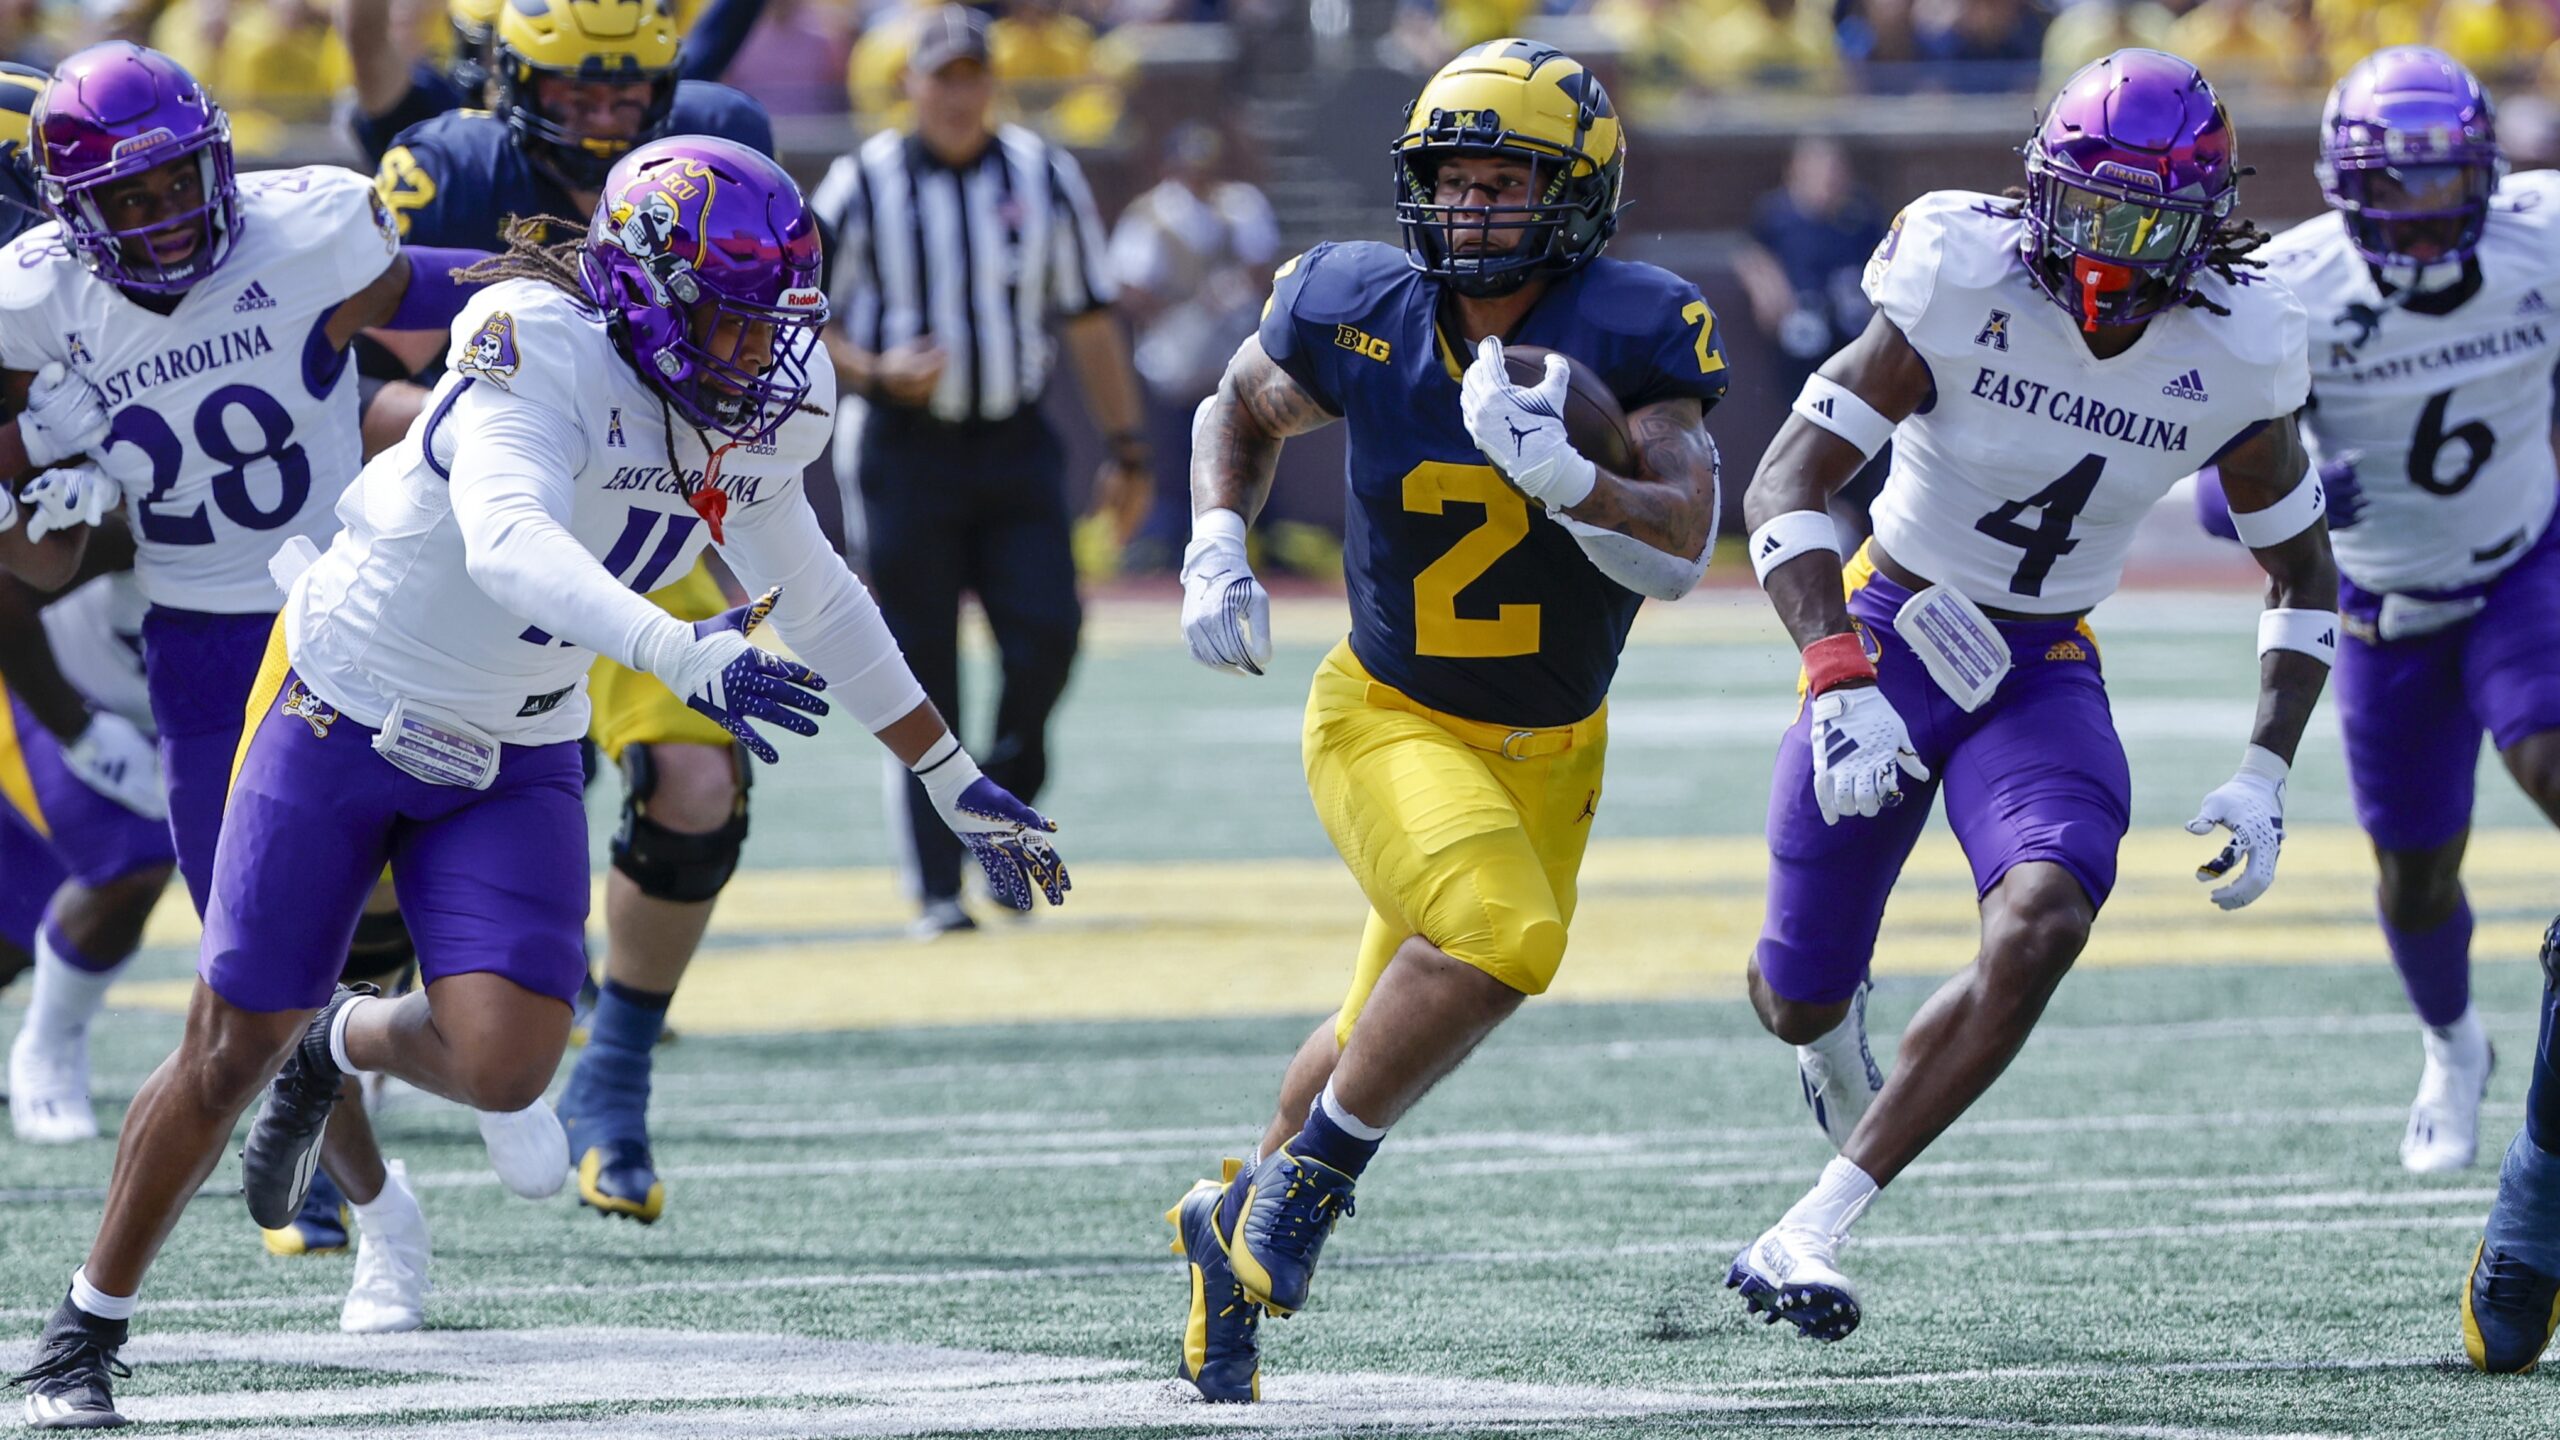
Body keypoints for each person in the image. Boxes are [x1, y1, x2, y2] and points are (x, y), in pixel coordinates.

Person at [8, 136, 1069, 1430]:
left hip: (512, 737)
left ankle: (335, 1043)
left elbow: (819, 583)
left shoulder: (763, 402)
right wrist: (687, 652)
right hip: (346, 702)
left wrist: (953, 777)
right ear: (638, 289)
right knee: (226, 1047)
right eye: (727, 322)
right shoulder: (532, 338)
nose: (755, 355)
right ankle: (84, 1330)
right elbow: (509, 544)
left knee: (511, 1065)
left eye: (768, 322)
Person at [1724, 48, 2334, 1343]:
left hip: (2041, 662)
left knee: (2048, 914)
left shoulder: (2239, 346)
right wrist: (1836, 677)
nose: (2106, 246)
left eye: (2141, 220)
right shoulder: (1958, 274)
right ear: (2042, 194)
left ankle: (1812, 1228)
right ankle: (1828, 1044)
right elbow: (1785, 481)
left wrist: (2269, 766)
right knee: (1797, 993)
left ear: (2201, 230)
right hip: (1892, 621)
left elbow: (2304, 573)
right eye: (2088, 206)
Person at [1167, 40, 1724, 1401]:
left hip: (1552, 749)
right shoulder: (1356, 300)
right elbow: (1240, 402)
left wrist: (1580, 482)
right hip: (1388, 718)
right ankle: (1315, 1183)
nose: (1472, 210)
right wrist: (1215, 540)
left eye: (1505, 182)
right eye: (1453, 181)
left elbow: (1687, 542)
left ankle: (1225, 1220)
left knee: (1378, 1025)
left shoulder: (1637, 328)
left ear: (1579, 193)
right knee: (1503, 939)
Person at [0, 40, 495, 1344]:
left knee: (449, 898)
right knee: (253, 984)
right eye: (129, 201)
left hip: (372, 613)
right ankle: (381, 1219)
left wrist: (565, 291)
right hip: (209, 656)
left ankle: (494, 1062)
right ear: (71, 217)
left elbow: (418, 294)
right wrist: (28, 491)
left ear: (218, 160)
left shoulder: (311, 222)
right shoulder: (35, 298)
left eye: (177, 185)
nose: (164, 220)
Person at [372, 0, 777, 1226]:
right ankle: (327, 1088)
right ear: (512, 86)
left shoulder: (718, 143)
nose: (604, 125)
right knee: (385, 833)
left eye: (625, 100)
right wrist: (491, 444)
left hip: (650, 518)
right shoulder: (444, 168)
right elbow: (346, 378)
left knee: (699, 789)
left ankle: (617, 1078)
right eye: (575, 100)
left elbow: (753, 352)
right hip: (460, 532)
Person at [2191, 49, 2552, 1181]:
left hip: (2520, 570)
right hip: (2381, 609)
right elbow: (2209, 485)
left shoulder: (2541, 234)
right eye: (2397, 184)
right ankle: (2453, 1047)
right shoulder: (2289, 286)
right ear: (2347, 187)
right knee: (2413, 869)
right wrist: (2281, 494)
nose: (2427, 205)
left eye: (2446, 177)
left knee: (2550, 754)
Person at [812, 5, 1147, 940]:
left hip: (1012, 439)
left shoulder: (1045, 175)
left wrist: (1130, 449)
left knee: (1048, 636)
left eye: (972, 75)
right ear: (907, 84)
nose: (958, 94)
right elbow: (798, 315)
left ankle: (996, 813)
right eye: (941, 76)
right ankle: (935, 887)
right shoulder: (861, 182)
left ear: (991, 82)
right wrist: (876, 371)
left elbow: (1086, 315)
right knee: (921, 669)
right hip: (902, 448)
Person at [0, 549, 173, 1146]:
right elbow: (5, 586)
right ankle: (48, 1046)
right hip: (48, 687)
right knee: (130, 859)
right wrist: (80, 730)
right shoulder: (132, 501)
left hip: (190, 716)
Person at [1106, 121, 1278, 570]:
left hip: (1228, 345)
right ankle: (1163, 538)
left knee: (1238, 435)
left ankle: (1255, 533)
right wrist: (1178, 310)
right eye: (1188, 166)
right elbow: (1128, 284)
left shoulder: (1237, 204)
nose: (1197, 176)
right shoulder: (1151, 214)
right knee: (1174, 446)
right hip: (1173, 350)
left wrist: (1228, 294)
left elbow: (1262, 265)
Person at [339, 0, 771, 166]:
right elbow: (368, 48)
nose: (603, 111)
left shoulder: (639, 107)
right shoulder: (450, 140)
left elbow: (721, 30)